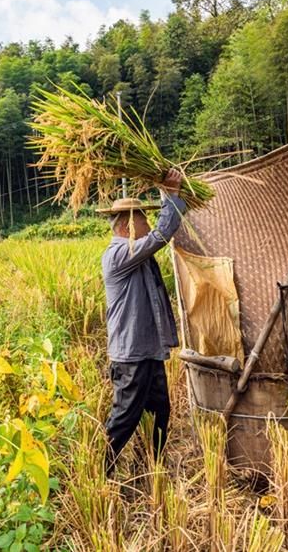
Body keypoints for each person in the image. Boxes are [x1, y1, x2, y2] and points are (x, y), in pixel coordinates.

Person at [97, 169, 186, 476]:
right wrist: (171, 196)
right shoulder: (119, 254)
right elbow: (161, 235)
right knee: (125, 417)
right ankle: (100, 470)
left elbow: (157, 235)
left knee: (160, 412)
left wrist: (169, 196)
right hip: (131, 354)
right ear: (127, 225)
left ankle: (149, 466)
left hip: (148, 350)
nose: (147, 225)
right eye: (143, 220)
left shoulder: (136, 254)